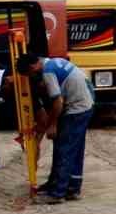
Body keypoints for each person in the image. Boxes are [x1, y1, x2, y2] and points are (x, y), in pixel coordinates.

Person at [24, 54, 92, 204]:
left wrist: (52, 125)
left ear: (32, 67)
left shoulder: (47, 72)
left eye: (30, 74)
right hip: (84, 104)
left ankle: (57, 193)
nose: (32, 77)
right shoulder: (53, 62)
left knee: (64, 150)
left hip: (76, 108)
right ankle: (71, 188)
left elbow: (58, 102)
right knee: (74, 149)